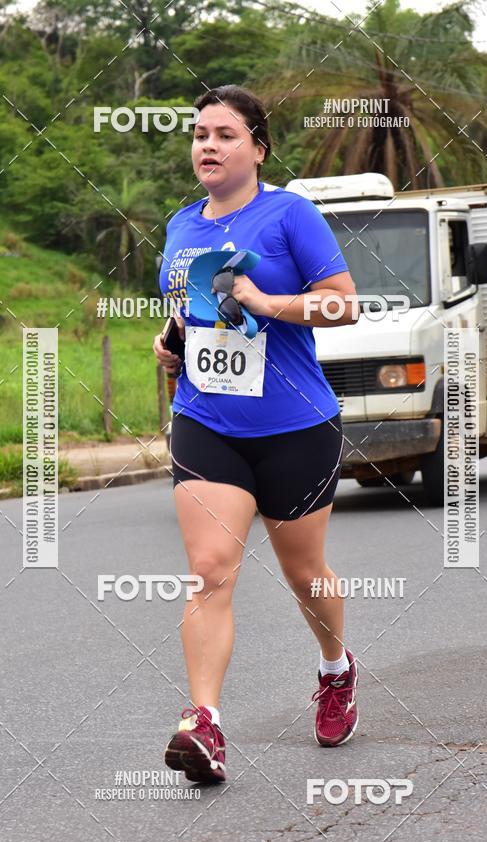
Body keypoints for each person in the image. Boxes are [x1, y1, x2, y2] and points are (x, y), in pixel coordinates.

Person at [154, 84, 360, 784]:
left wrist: (271, 303)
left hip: (295, 425)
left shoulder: (291, 216)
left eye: (224, 134)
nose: (206, 144)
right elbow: (191, 316)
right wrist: (171, 341)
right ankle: (203, 722)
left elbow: (345, 302)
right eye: (198, 132)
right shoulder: (182, 227)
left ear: (258, 147)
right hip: (207, 420)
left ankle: (335, 668)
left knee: (305, 575)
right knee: (210, 569)